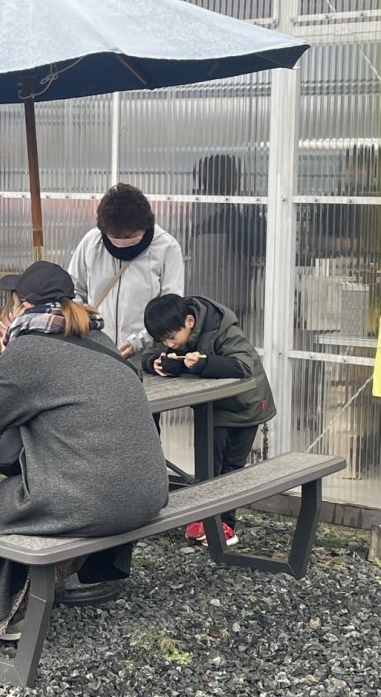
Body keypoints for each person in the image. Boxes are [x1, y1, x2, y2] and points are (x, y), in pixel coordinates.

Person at [0, 261, 168, 640]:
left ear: (24, 306)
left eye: (12, 302)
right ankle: (43, 589)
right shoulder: (100, 340)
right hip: (149, 494)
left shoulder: (28, 349)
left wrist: (9, 350)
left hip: (97, 502)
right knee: (53, 491)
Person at [140, 293, 277, 546]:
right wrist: (153, 363)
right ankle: (205, 518)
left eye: (171, 338)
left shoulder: (222, 327)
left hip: (245, 404)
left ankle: (225, 525)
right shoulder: (173, 331)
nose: (169, 344)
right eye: (162, 340)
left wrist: (205, 363)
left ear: (190, 321)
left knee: (231, 467)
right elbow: (151, 354)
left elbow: (243, 366)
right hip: (212, 406)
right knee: (208, 465)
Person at [68, 183, 184, 362]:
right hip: (96, 351)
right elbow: (73, 290)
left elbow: (171, 306)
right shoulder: (92, 242)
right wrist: (83, 325)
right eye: (114, 236)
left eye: (129, 236)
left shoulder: (166, 247)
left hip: (145, 357)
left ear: (144, 226)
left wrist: (140, 341)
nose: (121, 241)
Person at [186, 154, 266, 324]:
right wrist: (253, 207)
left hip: (217, 295)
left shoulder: (214, 207)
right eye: (233, 175)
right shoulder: (216, 211)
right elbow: (255, 244)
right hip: (219, 297)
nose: (237, 181)